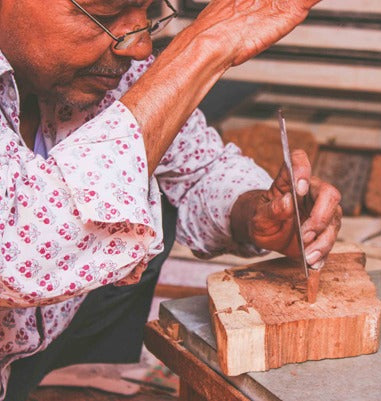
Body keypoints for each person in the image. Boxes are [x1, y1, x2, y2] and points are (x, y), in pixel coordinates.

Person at [0, 0, 342, 399]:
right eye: (106, 14)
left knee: (138, 193)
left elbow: (200, 168)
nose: (140, 47)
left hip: (37, 353)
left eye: (147, 10)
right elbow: (20, 253)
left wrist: (258, 211)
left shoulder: (108, 65)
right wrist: (204, 45)